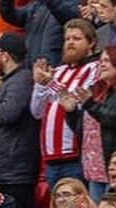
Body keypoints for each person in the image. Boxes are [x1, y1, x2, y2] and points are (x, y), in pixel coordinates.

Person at [31, 18, 98, 187]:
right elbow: (36, 111)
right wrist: (39, 85)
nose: (70, 43)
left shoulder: (95, 69)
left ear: (91, 43)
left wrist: (50, 84)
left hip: (76, 155)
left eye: (76, 39)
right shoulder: (58, 71)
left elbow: (77, 101)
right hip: (51, 157)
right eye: (67, 39)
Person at [0, 33, 39, 208]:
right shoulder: (11, 80)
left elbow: (8, 114)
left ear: (5, 56)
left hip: (15, 173)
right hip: (4, 169)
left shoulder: (20, 80)